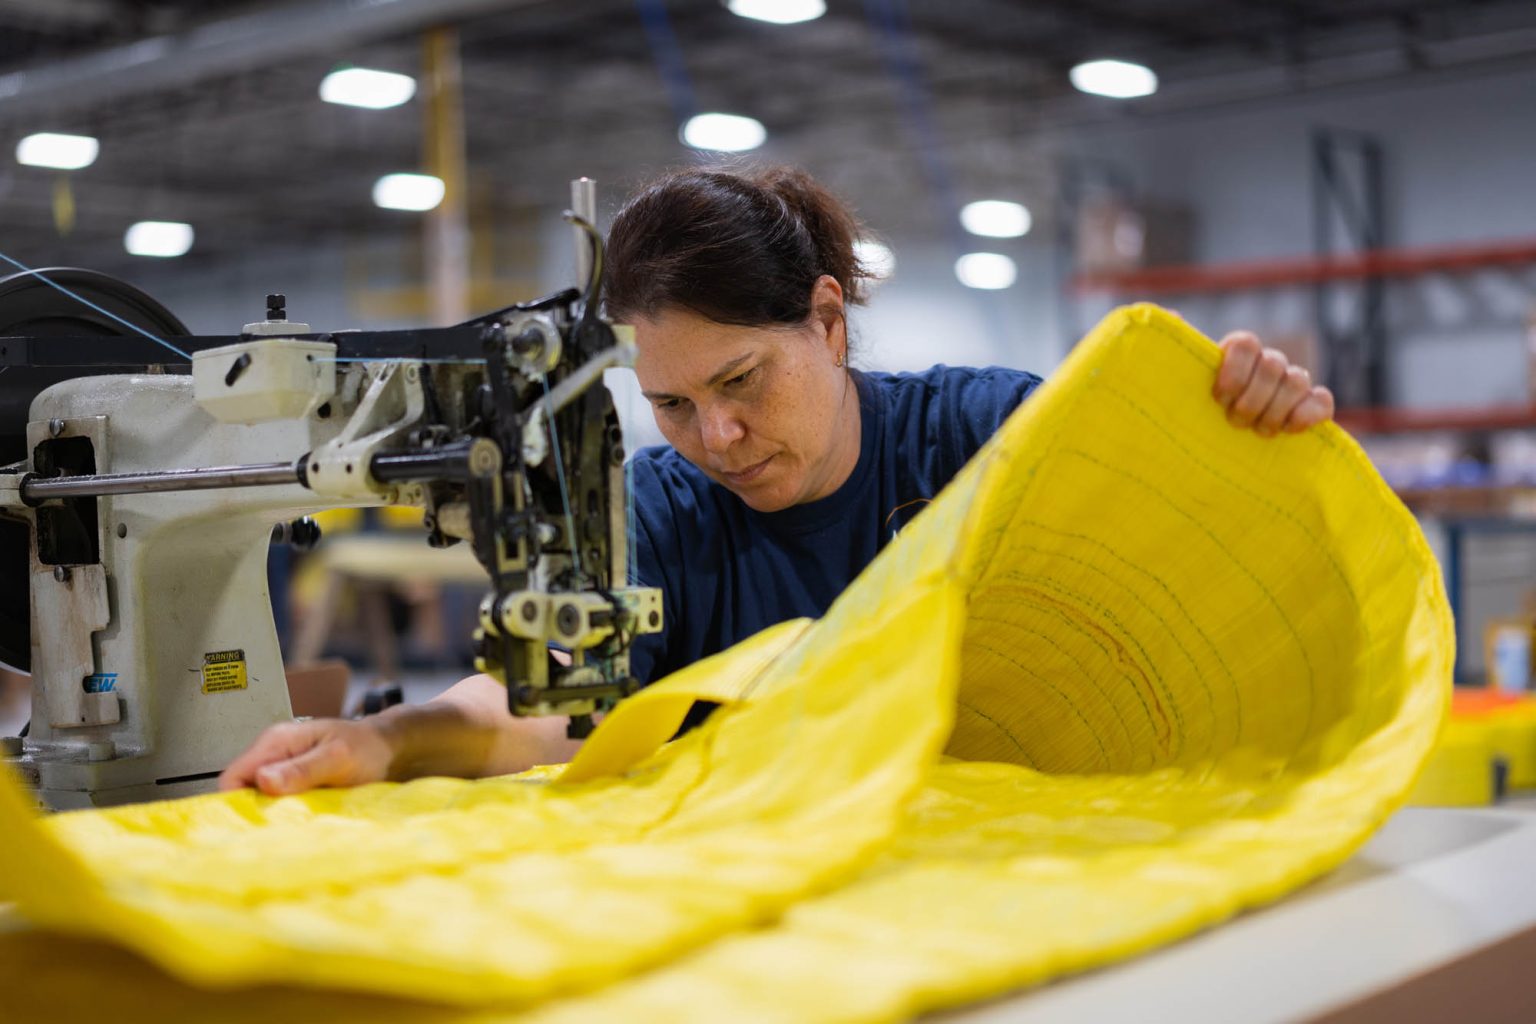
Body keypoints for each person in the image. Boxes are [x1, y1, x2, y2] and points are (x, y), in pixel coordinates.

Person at [219, 165, 1334, 797]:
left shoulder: (986, 435)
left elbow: (1206, 549)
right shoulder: (660, 508)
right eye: (673, 405)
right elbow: (552, 706)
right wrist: (389, 739)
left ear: (829, 319)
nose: (720, 433)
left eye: (742, 378)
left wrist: (1247, 419)